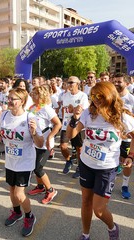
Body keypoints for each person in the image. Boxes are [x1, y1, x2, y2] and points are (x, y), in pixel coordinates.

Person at [66, 81, 134, 240]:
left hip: (106, 168)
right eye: (93, 96)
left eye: (99, 96)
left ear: (109, 95)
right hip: (86, 164)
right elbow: (71, 135)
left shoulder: (122, 116)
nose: (95, 99)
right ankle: (85, 234)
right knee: (86, 202)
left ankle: (112, 227)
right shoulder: (88, 114)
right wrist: (74, 118)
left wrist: (130, 155)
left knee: (99, 209)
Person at [0, 88, 44, 237]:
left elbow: (40, 144)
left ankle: (29, 217)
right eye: (8, 98)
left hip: (25, 162)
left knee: (19, 194)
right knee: (11, 189)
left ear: (22, 101)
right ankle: (16, 213)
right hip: (10, 160)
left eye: (13, 99)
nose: (9, 101)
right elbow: (1, 134)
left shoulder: (30, 118)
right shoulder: (4, 116)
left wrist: (34, 133)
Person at [28, 86, 61, 204]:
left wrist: (50, 137)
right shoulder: (32, 107)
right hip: (35, 141)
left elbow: (58, 124)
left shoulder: (47, 109)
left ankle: (51, 190)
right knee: (34, 166)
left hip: (45, 143)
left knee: (38, 168)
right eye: (32, 93)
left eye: (36, 93)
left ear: (42, 95)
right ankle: (40, 187)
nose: (32, 95)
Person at [60, 76, 89, 178]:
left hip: (78, 125)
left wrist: (73, 110)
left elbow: (80, 111)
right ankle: (69, 160)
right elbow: (65, 109)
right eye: (68, 82)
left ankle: (79, 168)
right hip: (66, 124)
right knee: (63, 146)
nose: (69, 84)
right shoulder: (65, 95)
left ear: (77, 84)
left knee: (79, 149)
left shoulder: (83, 96)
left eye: (71, 82)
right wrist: (64, 121)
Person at [114, 73, 134, 199]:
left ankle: (125, 185)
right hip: (113, 136)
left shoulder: (132, 99)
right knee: (116, 160)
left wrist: (127, 129)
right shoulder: (112, 98)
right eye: (114, 81)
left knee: (127, 162)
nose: (116, 83)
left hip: (127, 138)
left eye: (119, 81)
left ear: (127, 83)